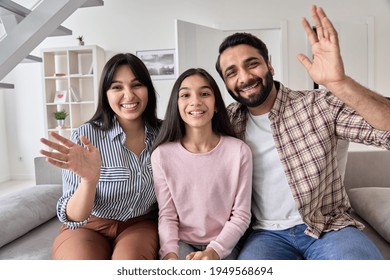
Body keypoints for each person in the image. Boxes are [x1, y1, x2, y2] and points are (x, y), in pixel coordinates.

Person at [215, 5, 390, 260]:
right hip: (265, 235)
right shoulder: (226, 121)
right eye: (231, 72)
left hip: (329, 227)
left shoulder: (318, 105)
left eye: (252, 64)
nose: (244, 77)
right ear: (226, 83)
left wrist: (340, 84)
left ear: (270, 66)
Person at [39, 53, 161, 260]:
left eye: (137, 85)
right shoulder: (85, 136)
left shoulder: (165, 134)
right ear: (105, 94)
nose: (129, 95)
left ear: (148, 89)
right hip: (87, 225)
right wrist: (89, 180)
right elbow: (74, 216)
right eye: (117, 87)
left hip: (139, 224)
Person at [151, 68, 253, 260]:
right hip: (181, 242)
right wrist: (169, 253)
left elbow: (241, 215)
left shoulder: (239, 151)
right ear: (177, 105)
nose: (195, 101)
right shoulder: (161, 155)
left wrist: (213, 251)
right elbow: (167, 215)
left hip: (225, 243)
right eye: (186, 95)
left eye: (204, 94)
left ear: (215, 105)